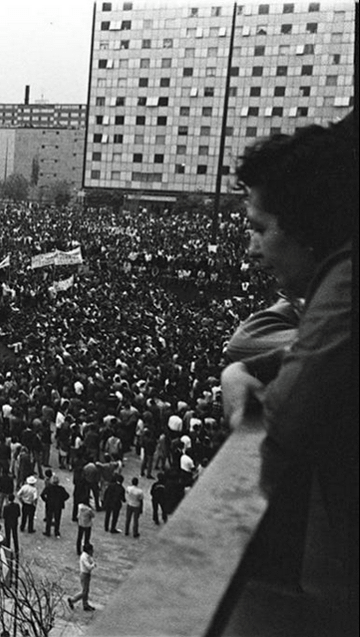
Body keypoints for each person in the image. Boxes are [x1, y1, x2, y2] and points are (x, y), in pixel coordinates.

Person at [221, 121, 358, 585]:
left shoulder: (346, 288)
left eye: (259, 229)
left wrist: (238, 382)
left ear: (306, 224)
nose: (253, 249)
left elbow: (279, 438)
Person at [66, 543, 97, 611]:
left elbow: (91, 561)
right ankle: (73, 599)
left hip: (87, 574)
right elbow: (88, 567)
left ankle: (85, 604)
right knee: (84, 591)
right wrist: (93, 565)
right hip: (84, 574)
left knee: (86, 590)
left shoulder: (88, 556)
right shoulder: (84, 557)